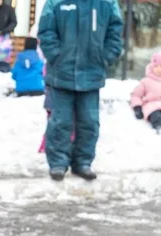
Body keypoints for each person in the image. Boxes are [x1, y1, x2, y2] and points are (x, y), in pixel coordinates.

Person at [39, 0, 123, 181]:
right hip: (61, 73)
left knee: (89, 122)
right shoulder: (56, 2)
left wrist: (106, 57)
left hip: (92, 74)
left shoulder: (107, 3)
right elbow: (46, 31)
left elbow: (115, 31)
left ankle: (83, 163)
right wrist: (56, 56)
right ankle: (58, 163)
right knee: (60, 121)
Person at [131, 51, 161, 133]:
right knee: (157, 116)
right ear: (152, 67)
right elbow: (136, 95)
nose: (159, 69)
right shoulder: (146, 81)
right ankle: (159, 127)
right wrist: (137, 107)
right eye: (156, 66)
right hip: (152, 106)